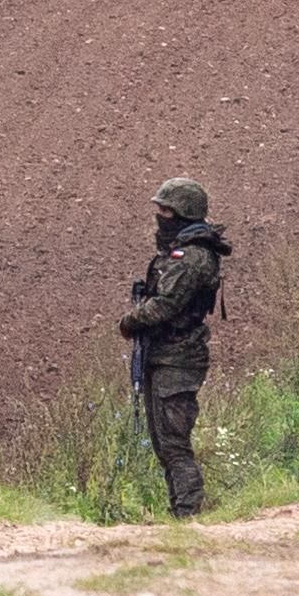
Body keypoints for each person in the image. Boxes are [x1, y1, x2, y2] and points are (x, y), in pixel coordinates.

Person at [119, 176, 230, 518]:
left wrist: (131, 320)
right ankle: (179, 512)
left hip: (178, 359)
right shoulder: (180, 251)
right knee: (163, 444)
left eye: (166, 210)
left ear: (183, 213)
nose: (160, 216)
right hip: (164, 355)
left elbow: (166, 305)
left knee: (174, 444)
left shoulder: (192, 257)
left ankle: (187, 514)